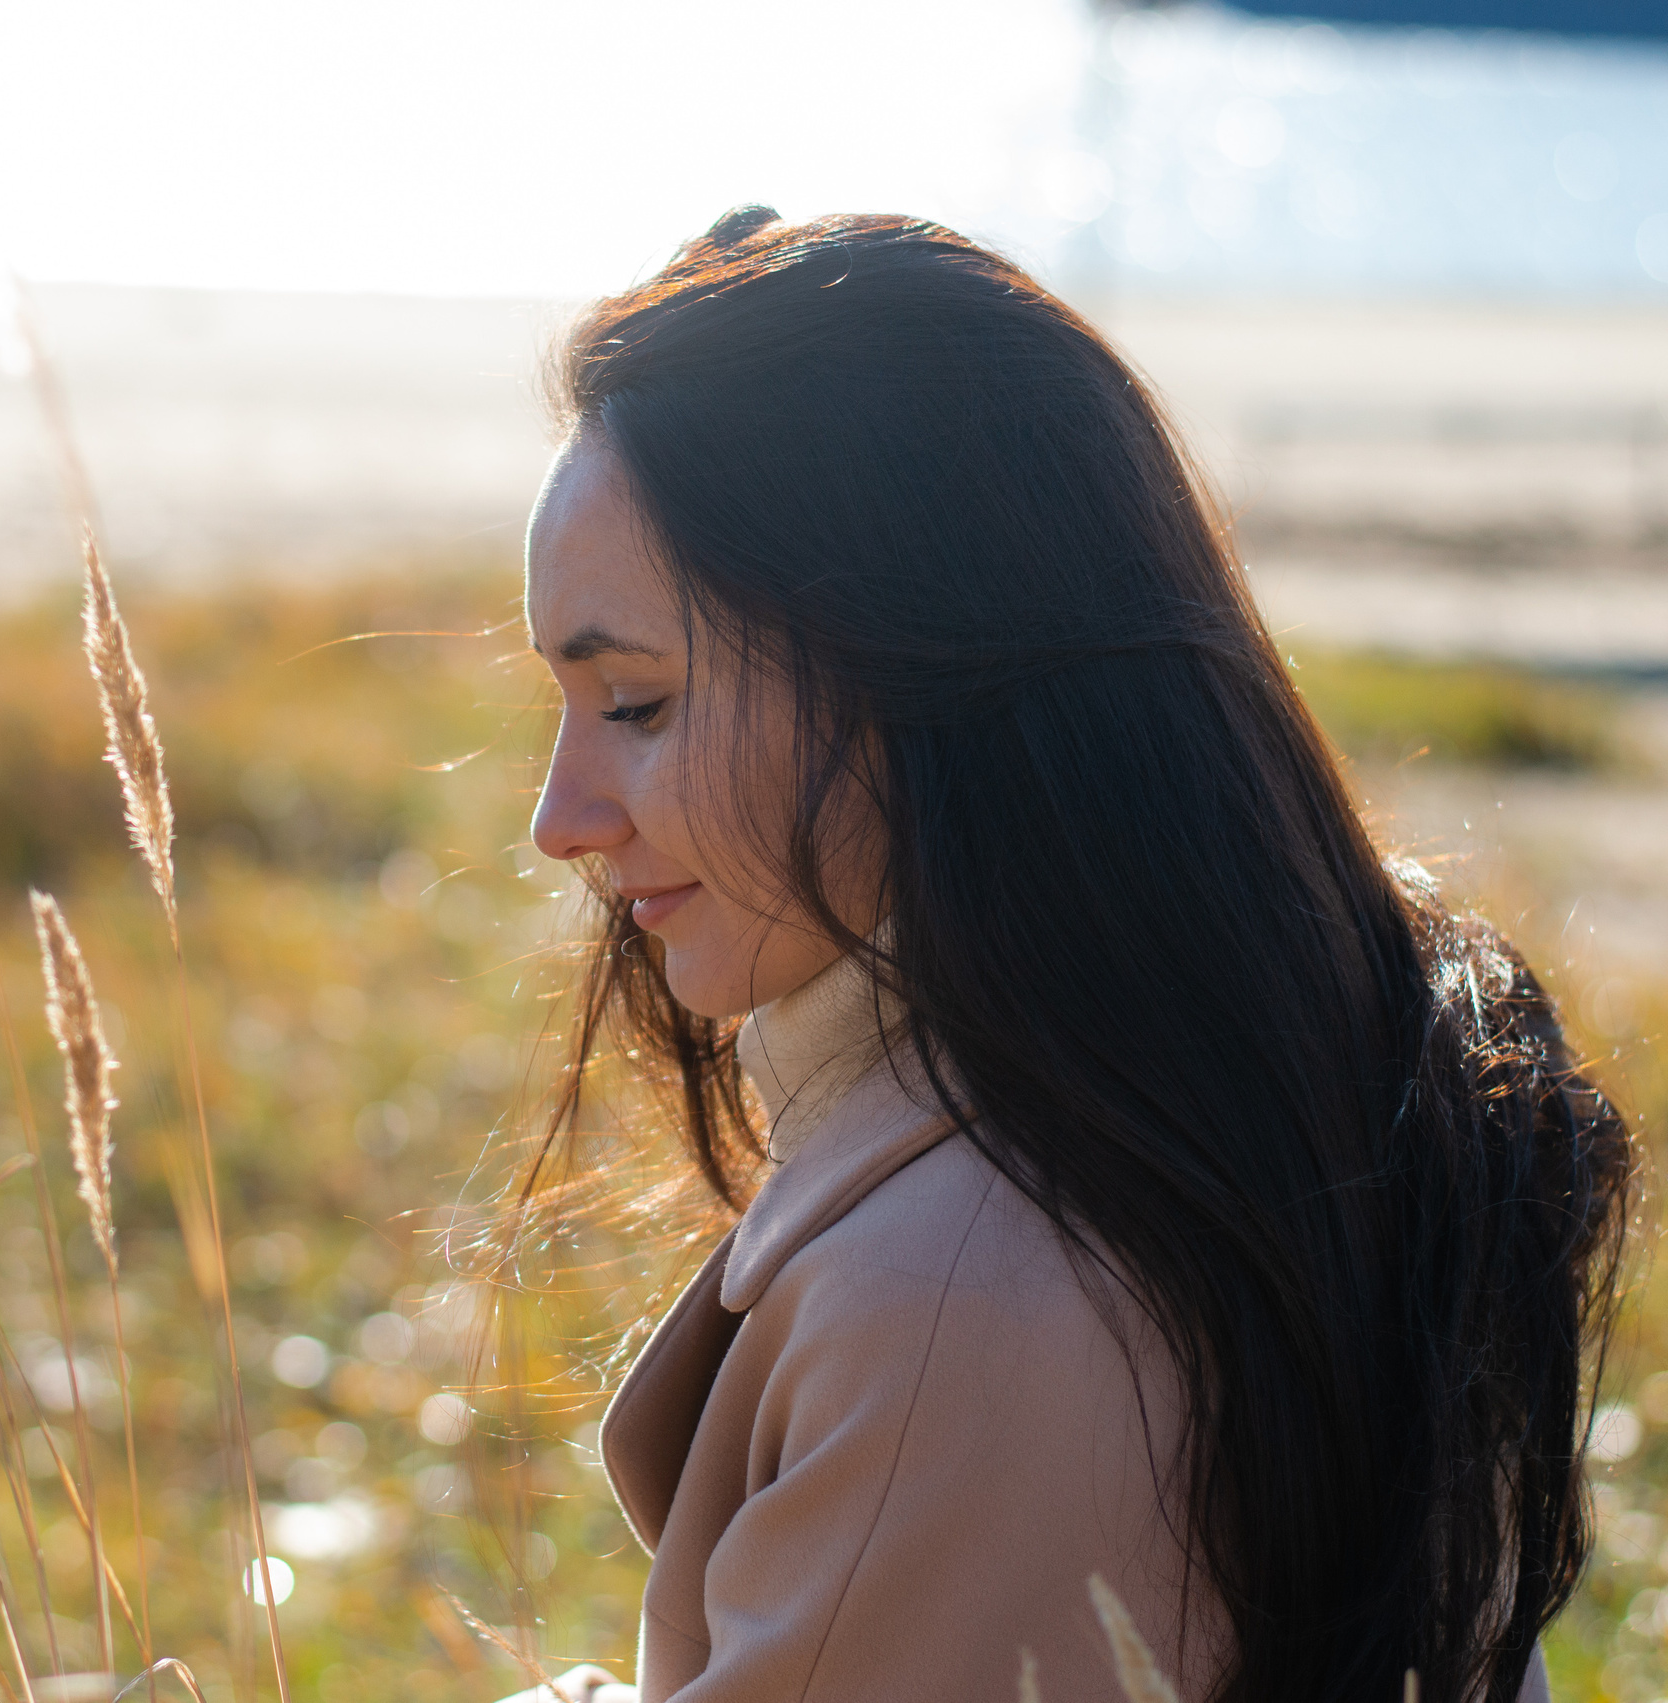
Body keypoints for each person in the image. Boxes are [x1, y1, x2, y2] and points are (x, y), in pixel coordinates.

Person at [505, 210, 1631, 1703]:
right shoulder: (1279, 1076)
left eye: (636, 705)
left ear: (918, 667)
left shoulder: (968, 1298)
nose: (559, 822)